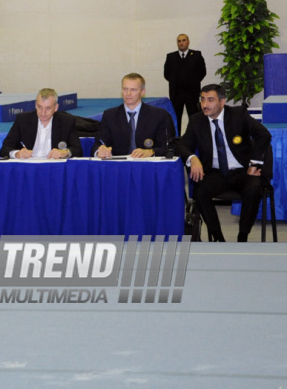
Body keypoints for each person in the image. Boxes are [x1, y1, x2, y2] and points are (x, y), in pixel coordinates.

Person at [176, 84, 272, 242]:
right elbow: (183, 145)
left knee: (254, 187)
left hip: (242, 171)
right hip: (216, 173)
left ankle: (243, 235)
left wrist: (255, 164)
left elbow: (264, 135)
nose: (205, 105)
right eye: (203, 100)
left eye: (210, 100)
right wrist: (193, 158)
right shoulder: (196, 120)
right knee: (200, 191)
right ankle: (218, 237)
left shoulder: (238, 115)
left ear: (222, 102)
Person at [91, 73, 175, 158]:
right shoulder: (110, 115)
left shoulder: (158, 115)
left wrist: (150, 152)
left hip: (147, 166)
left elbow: (167, 147)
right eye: (125, 89)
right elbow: (98, 144)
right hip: (119, 167)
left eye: (133, 90)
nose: (128, 93)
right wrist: (100, 151)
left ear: (142, 92)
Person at [0, 88, 83, 159]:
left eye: (48, 108)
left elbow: (78, 150)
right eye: (40, 107)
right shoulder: (22, 120)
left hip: (53, 168)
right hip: (28, 168)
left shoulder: (67, 122)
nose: (43, 112)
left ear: (56, 107)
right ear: (35, 105)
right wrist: (17, 154)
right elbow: (4, 149)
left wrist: (65, 152)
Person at [163, 33, 207, 134]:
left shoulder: (196, 55)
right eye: (179, 41)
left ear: (188, 41)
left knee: (194, 116)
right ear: (177, 43)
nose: (181, 43)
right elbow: (166, 74)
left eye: (183, 40)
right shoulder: (171, 56)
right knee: (176, 117)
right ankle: (176, 139)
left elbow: (202, 72)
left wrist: (193, 82)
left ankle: (194, 137)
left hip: (192, 92)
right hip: (176, 93)